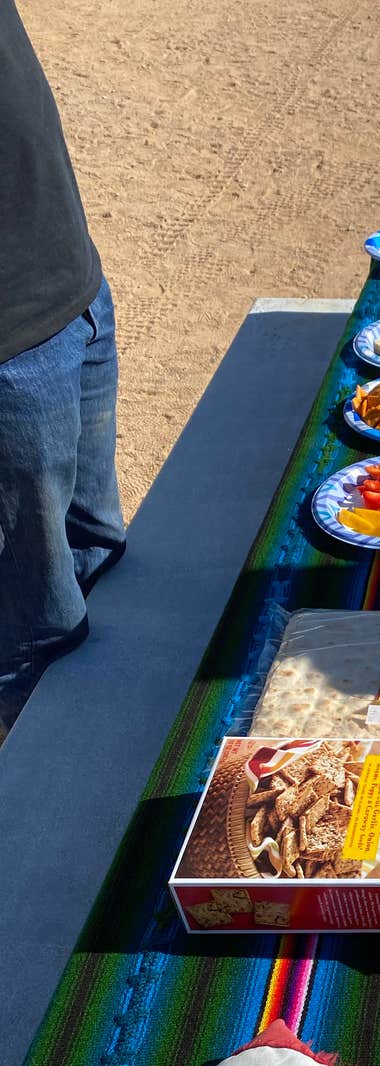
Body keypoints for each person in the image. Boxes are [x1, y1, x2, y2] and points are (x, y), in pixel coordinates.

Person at [0, 0, 126, 734]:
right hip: (10, 351)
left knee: (103, 557)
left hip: (74, 286)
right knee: (40, 631)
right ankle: (50, 813)